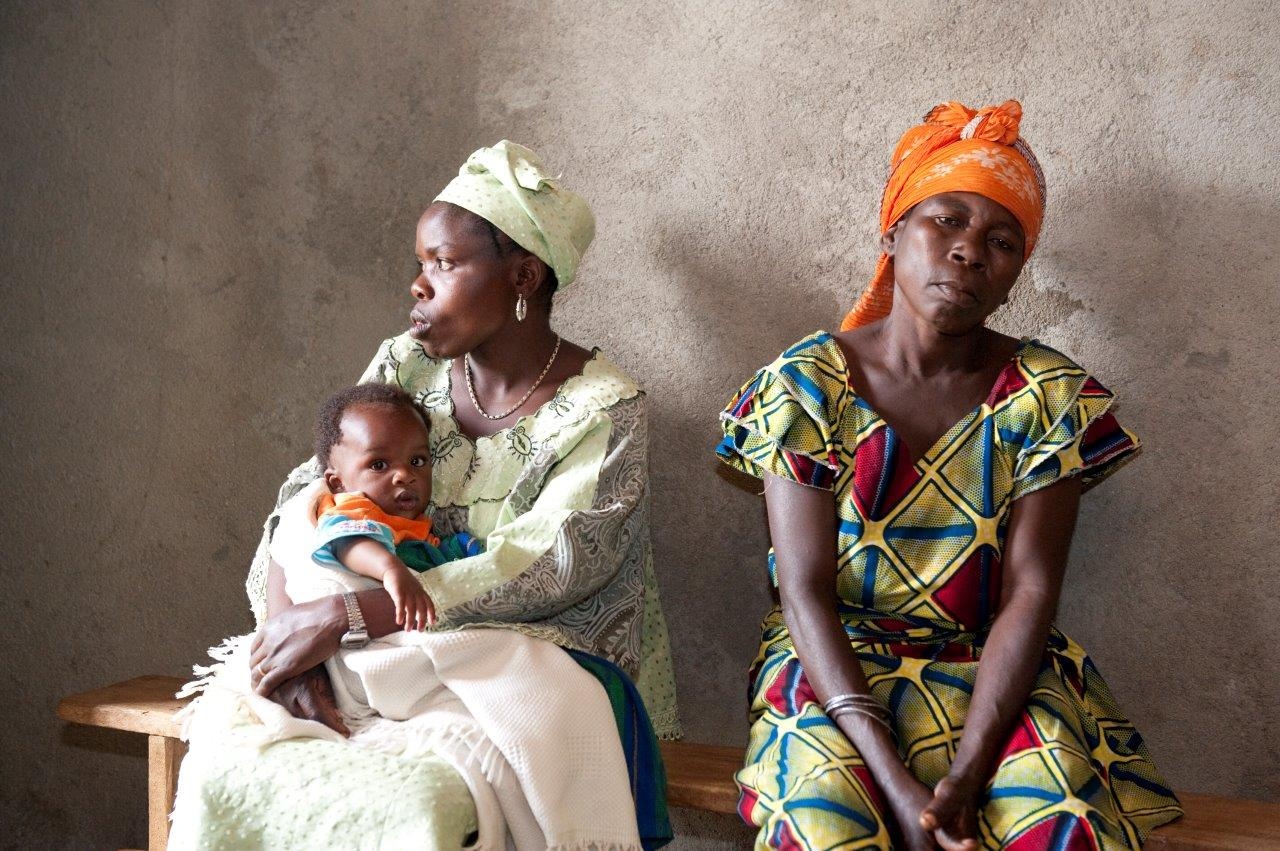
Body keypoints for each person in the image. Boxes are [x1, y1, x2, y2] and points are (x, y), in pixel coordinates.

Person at [169, 141, 680, 851]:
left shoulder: (602, 409)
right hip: (378, 647)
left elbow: (553, 563)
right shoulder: (406, 364)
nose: (417, 284)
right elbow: (309, 494)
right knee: (228, 761)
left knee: (414, 805)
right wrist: (291, 644)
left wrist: (351, 611)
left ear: (523, 276)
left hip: (540, 658)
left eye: (442, 263)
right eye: (419, 264)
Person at [716, 101, 1183, 850]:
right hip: (836, 672)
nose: (969, 251)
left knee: (1061, 823)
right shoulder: (807, 384)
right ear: (894, 230)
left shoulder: (1045, 395)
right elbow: (804, 592)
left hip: (995, 675)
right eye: (947, 220)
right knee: (826, 823)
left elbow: (1030, 592)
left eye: (1001, 240)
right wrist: (899, 789)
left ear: (1016, 272)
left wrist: (966, 776)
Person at [309, 382, 483, 631]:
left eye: (417, 460)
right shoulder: (355, 508)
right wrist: (390, 569)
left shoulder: (419, 525)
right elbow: (348, 544)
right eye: (379, 465)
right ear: (338, 483)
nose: (404, 474)